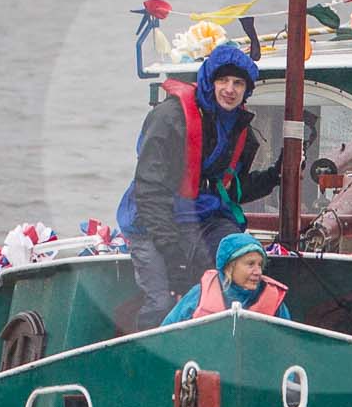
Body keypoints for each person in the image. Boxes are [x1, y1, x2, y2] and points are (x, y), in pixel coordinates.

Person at [116, 42, 281, 328]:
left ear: (247, 90)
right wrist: (173, 255)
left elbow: (230, 189)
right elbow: (149, 190)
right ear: (209, 81)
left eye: (238, 83)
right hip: (151, 220)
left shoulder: (241, 130)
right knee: (163, 300)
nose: (230, 89)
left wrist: (276, 175)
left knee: (229, 281)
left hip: (203, 217)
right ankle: (146, 359)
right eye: (223, 80)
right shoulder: (169, 119)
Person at [161, 231, 293, 324]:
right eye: (250, 264)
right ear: (229, 266)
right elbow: (168, 333)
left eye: (260, 265)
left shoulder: (275, 302)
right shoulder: (198, 295)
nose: (258, 271)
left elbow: (290, 345)